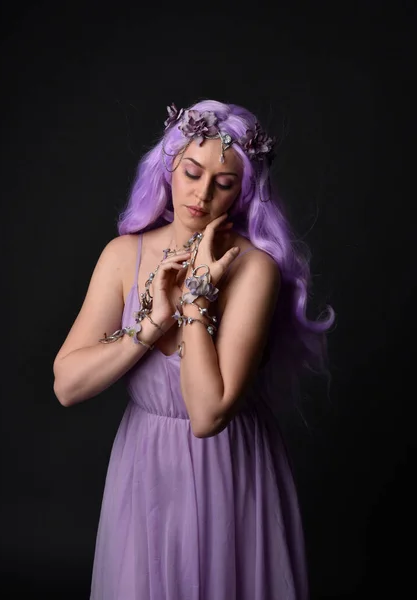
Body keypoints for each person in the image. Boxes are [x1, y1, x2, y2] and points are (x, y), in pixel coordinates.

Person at [53, 99, 335, 600]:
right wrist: (150, 324)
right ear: (169, 167)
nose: (201, 194)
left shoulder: (254, 270)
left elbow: (208, 414)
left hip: (227, 465)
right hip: (144, 464)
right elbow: (68, 385)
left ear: (243, 194)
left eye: (223, 183)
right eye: (191, 171)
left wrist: (198, 293)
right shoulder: (123, 256)